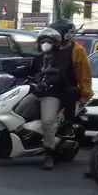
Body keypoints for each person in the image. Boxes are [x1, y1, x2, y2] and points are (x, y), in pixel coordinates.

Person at [16, 25, 80, 170]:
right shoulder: (37, 59)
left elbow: (58, 75)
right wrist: (2, 73)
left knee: (48, 121)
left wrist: (45, 84)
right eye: (43, 41)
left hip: (52, 95)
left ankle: (48, 153)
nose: (45, 44)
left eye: (49, 41)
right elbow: (24, 71)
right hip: (36, 93)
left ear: (56, 44)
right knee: (17, 113)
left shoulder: (61, 59)